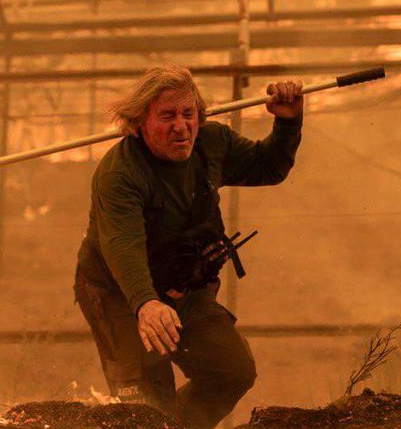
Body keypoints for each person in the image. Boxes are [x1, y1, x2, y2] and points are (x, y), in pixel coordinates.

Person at [74, 63, 303, 429]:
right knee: (147, 406)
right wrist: (146, 303)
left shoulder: (212, 143)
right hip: (121, 293)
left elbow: (268, 167)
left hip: (183, 284)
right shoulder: (120, 174)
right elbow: (122, 245)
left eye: (188, 113)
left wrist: (288, 122)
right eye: (167, 116)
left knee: (231, 370)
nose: (181, 127)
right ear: (140, 122)